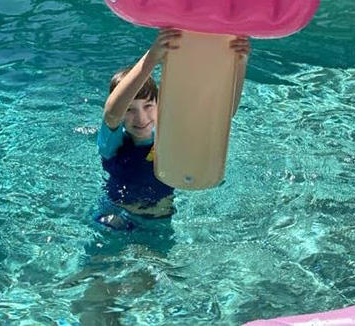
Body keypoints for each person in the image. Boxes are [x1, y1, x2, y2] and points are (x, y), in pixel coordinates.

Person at [95, 27, 251, 229]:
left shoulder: (171, 135)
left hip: (159, 221)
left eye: (148, 106)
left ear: (160, 106)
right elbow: (112, 113)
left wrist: (239, 63)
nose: (141, 118)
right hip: (115, 217)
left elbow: (221, 116)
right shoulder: (112, 144)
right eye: (129, 109)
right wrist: (153, 56)